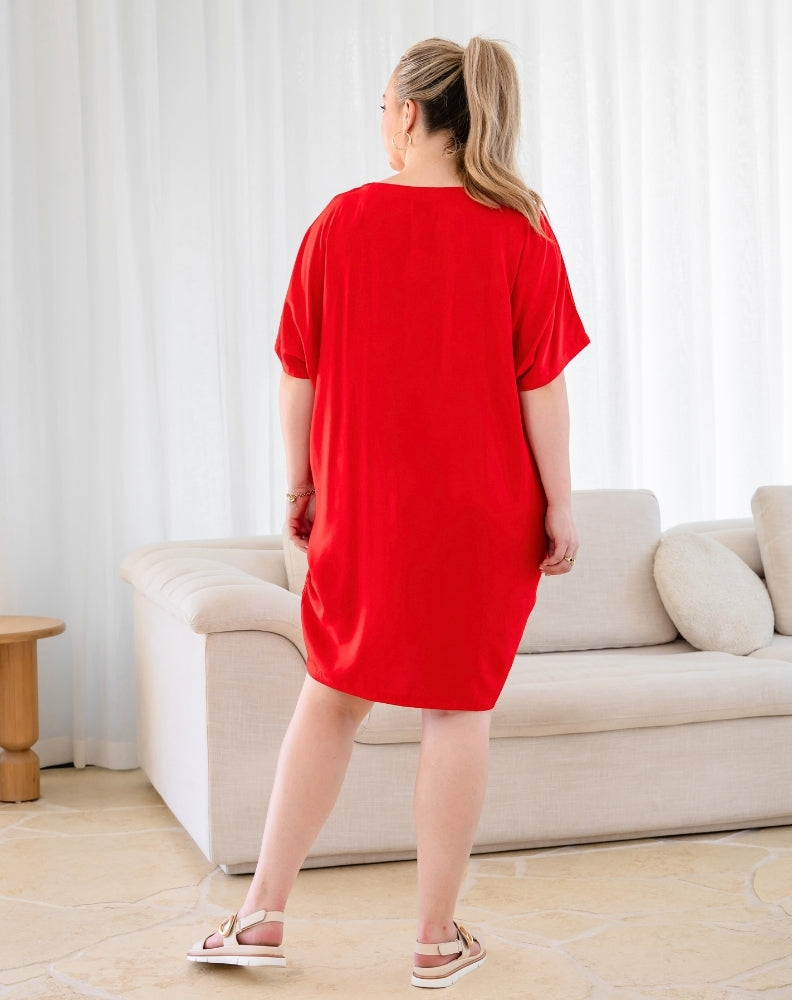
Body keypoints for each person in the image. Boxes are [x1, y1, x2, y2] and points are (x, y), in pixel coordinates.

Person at [188, 35, 589, 988]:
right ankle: (434, 941)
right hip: (484, 516)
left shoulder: (341, 222)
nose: (380, 122)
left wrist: (300, 485)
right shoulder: (522, 227)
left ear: (408, 113)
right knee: (458, 711)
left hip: (364, 511)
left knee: (330, 695)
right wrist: (561, 504)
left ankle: (260, 917)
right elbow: (542, 386)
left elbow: (297, 372)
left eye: (382, 106)